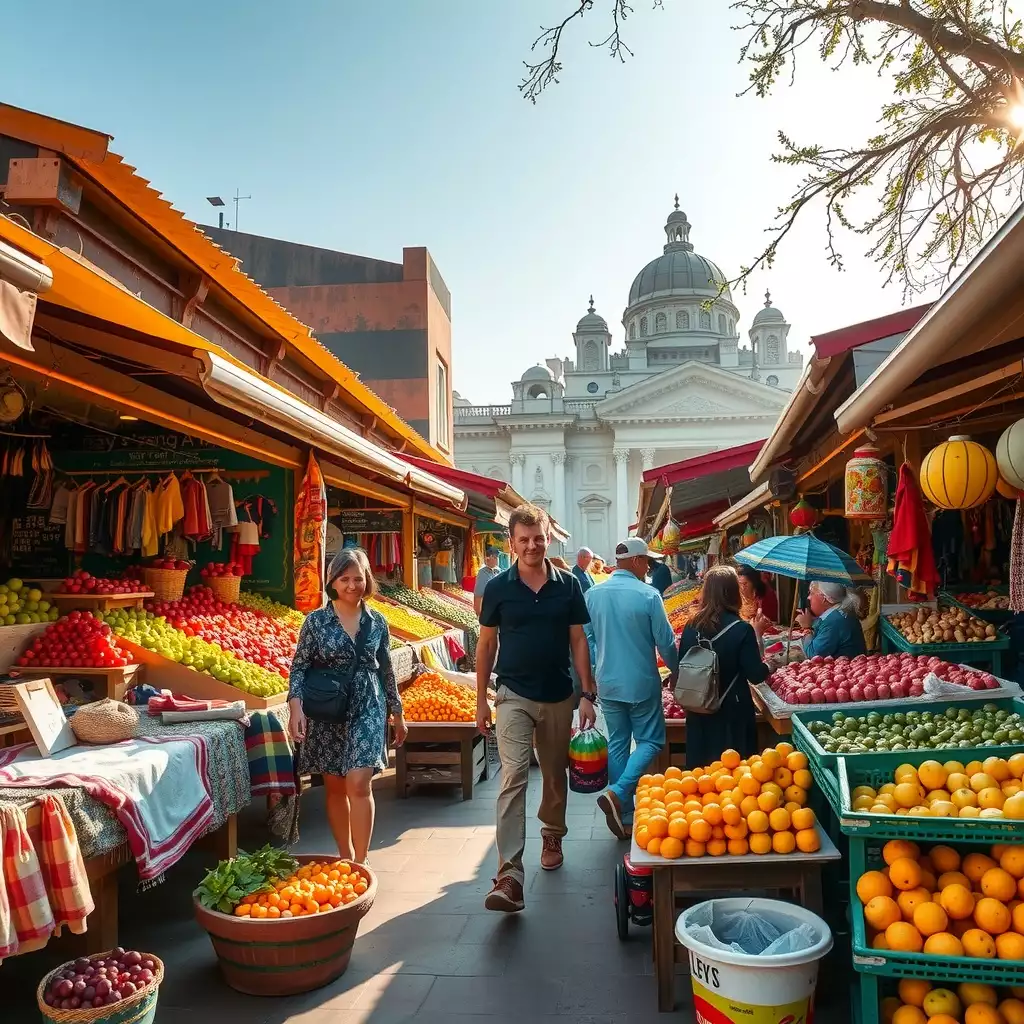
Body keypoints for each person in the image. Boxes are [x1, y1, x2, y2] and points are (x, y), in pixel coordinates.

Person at [476, 503, 596, 913]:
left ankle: (553, 832)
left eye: (538, 538)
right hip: (512, 695)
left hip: (560, 694)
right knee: (512, 777)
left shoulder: (568, 586)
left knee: (553, 772)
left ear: (548, 538)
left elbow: (578, 640)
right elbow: (486, 645)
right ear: (511, 543)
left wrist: (587, 693)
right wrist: (481, 700)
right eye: (524, 539)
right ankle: (509, 874)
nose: (531, 545)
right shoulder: (498, 589)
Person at [288, 548, 408, 862]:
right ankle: (344, 854)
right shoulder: (316, 621)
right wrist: (295, 708)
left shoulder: (377, 621)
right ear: (333, 582)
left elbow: (386, 669)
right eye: (345, 579)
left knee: (358, 781)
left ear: (367, 580)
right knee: (335, 787)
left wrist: (397, 712)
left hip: (368, 704)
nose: (352, 585)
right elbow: (299, 666)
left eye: (358, 578)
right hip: (327, 707)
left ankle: (361, 860)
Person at [586, 538, 679, 839]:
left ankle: (624, 813)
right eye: (647, 562)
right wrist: (678, 670)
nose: (648, 567)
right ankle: (618, 792)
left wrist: (591, 677)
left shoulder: (593, 594)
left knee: (618, 743)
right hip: (641, 681)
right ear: (637, 561)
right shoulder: (649, 595)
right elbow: (665, 642)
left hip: (607, 682)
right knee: (651, 741)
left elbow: (586, 642)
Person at [677, 565, 769, 769]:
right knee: (733, 777)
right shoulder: (742, 630)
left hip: (699, 709)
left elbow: (682, 663)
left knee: (700, 778)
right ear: (734, 592)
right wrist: (771, 665)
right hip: (731, 713)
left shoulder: (691, 627)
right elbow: (755, 675)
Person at [795, 581, 867, 659]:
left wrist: (807, 628)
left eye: (812, 593)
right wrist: (810, 622)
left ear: (824, 598)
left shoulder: (835, 620)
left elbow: (814, 655)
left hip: (845, 668)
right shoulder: (838, 612)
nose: (808, 597)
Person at [473, 546, 501, 617]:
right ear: (488, 558)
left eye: (497, 557)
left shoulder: (498, 571)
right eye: (494, 557)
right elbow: (478, 594)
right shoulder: (482, 572)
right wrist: (478, 612)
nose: (497, 560)